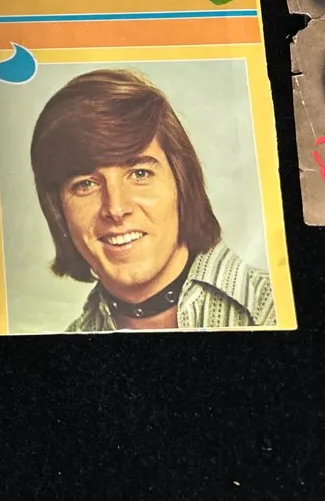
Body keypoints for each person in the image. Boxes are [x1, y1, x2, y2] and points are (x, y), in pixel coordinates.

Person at [29, 69, 276, 332]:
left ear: (182, 183)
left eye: (140, 174)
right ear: (58, 211)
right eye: (85, 184)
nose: (116, 208)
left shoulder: (276, 309)